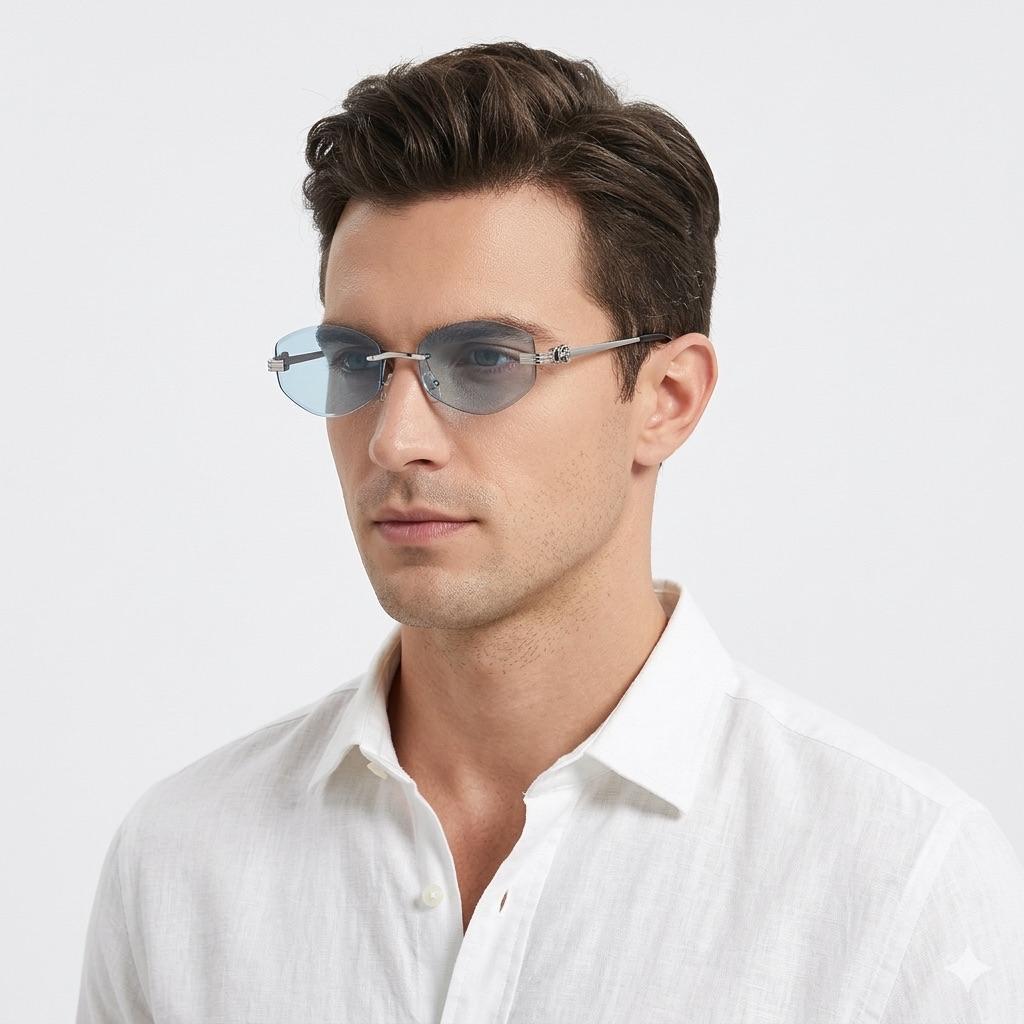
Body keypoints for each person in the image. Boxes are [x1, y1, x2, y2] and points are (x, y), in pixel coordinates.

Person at [78, 41, 1024, 1023]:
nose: (395, 440)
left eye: (486, 359)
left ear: (665, 398)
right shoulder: (181, 868)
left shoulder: (898, 886)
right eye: (356, 361)